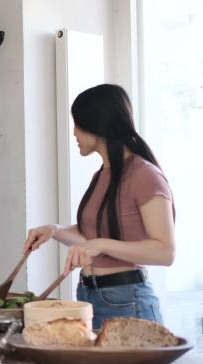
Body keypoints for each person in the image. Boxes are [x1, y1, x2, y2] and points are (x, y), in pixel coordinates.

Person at [23, 84, 175, 329]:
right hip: (89, 297)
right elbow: (91, 236)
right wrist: (54, 230)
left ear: (98, 125)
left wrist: (100, 245)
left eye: (78, 124)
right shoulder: (103, 174)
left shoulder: (145, 175)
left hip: (128, 302)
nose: (74, 132)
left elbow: (165, 252)